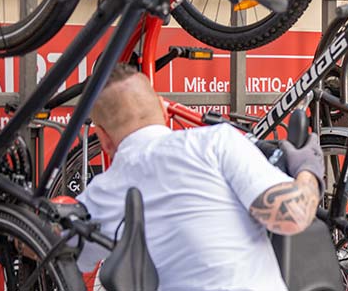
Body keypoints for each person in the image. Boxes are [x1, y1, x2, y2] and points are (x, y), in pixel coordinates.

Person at [75, 64, 324, 291]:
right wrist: (308, 169)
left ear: (103, 137)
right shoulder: (216, 141)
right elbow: (294, 215)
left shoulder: (101, 194)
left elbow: (50, 250)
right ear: (163, 109)